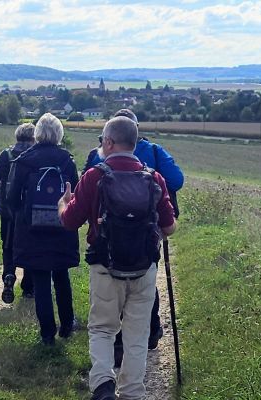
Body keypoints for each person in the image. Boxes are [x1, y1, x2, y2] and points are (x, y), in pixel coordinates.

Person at [59, 116, 177, 400]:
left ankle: (102, 385)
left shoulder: (94, 176)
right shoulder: (154, 178)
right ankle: (133, 393)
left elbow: (70, 221)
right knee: (136, 335)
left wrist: (63, 204)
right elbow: (170, 227)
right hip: (143, 268)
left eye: (102, 140)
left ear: (109, 142)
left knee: (102, 328)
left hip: (105, 267)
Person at [82, 109, 182, 356]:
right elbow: (177, 180)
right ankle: (151, 329)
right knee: (145, 275)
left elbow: (85, 187)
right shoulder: (155, 153)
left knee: (110, 295)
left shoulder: (100, 159)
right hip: (147, 230)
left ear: (110, 137)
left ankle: (115, 345)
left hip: (108, 240)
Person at [3, 114, 81, 345]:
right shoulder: (67, 161)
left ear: (37, 133)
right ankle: (67, 325)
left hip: (32, 230)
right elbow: (75, 194)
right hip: (62, 227)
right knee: (61, 275)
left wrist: (24, 215)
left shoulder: (25, 160)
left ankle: (47, 334)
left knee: (41, 280)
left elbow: (11, 198)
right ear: (59, 134)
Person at [0, 123, 37, 304]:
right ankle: (28, 287)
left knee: (8, 246)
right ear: (34, 138)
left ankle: (9, 275)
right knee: (30, 247)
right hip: (29, 214)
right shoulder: (34, 155)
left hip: (7, 212)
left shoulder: (6, 154)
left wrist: (1, 201)